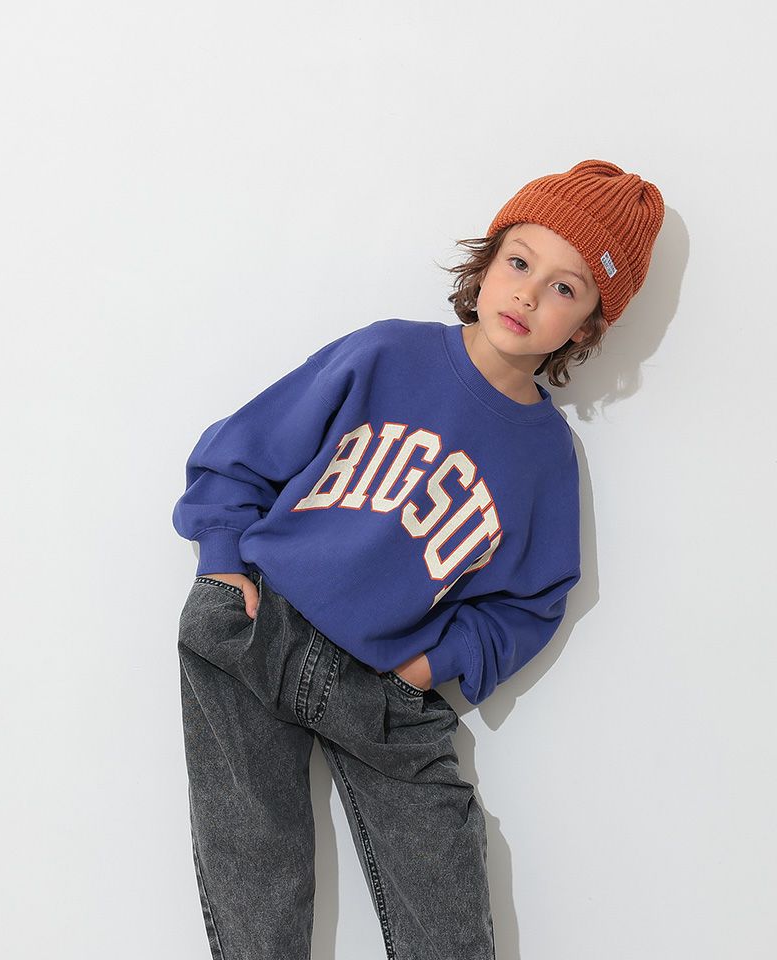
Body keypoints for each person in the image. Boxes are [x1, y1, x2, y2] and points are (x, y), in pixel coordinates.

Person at [172, 158, 664, 959]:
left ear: (585, 327)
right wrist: (222, 563)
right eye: (520, 262)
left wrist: (429, 669)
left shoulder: (545, 460)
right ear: (487, 261)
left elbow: (533, 601)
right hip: (259, 625)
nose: (529, 295)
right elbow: (241, 450)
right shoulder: (385, 354)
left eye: (565, 288)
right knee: (257, 878)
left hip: (384, 689)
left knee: (446, 911)